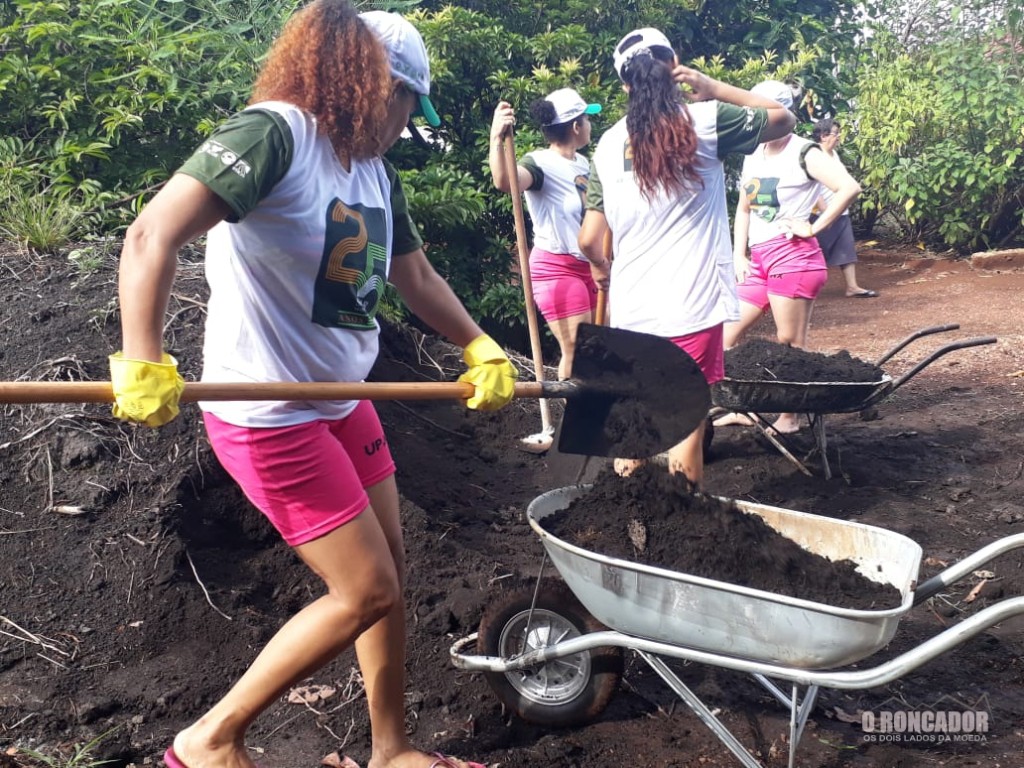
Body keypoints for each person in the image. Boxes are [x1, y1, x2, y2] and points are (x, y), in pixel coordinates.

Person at [109, 4, 515, 768]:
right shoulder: (275, 135)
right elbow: (151, 232)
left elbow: (413, 274)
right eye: (407, 104)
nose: (405, 123)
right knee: (364, 591)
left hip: (343, 400)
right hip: (269, 413)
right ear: (373, 83)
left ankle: (391, 748)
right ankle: (208, 740)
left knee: (391, 573)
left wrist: (479, 345)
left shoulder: (373, 170)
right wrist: (142, 355)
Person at [577, 28, 795, 486]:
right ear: (675, 63)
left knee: (635, 420)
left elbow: (589, 239)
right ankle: (682, 526)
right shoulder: (708, 119)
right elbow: (782, 118)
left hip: (632, 308)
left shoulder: (606, 144)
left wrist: (602, 269)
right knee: (685, 426)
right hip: (691, 305)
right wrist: (712, 87)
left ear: (624, 84)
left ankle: (628, 517)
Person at [715, 81, 862, 435]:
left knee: (790, 345)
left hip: (794, 259)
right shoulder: (753, 154)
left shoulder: (805, 152)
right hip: (759, 260)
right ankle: (745, 406)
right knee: (723, 336)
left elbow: (849, 188)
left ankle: (790, 417)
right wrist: (739, 254)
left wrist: (814, 228)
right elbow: (745, 208)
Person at [488, 88, 602, 453]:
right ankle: (576, 427)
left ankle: (591, 419)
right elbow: (505, 182)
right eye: (586, 118)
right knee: (576, 347)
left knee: (598, 347)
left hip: (590, 266)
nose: (590, 124)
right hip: (556, 268)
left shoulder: (585, 165)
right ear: (574, 126)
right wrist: (496, 137)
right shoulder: (539, 163)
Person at [811, 117, 877, 298]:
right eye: (835, 133)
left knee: (846, 249)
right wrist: (825, 211)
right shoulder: (815, 155)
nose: (839, 136)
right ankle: (803, 291)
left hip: (839, 211)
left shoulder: (834, 155)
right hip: (820, 213)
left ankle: (852, 287)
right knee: (813, 251)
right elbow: (811, 187)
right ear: (823, 136)